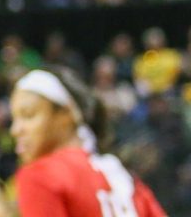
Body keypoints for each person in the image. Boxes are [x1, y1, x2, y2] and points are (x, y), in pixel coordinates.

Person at [9, 67, 166, 216]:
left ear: (66, 113)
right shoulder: (122, 176)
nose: (15, 130)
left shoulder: (40, 175)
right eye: (14, 119)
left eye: (28, 115)